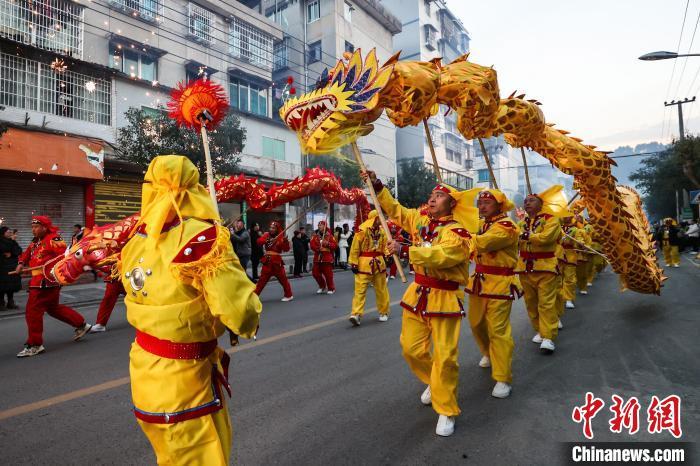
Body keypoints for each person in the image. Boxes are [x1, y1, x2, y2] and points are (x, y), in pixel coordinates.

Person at [118, 155, 261, 465]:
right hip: (186, 384)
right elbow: (239, 311)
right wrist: (248, 317)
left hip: (146, 376)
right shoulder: (202, 237)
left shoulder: (136, 239)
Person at [363, 170, 473, 438]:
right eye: (432, 195)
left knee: (446, 356)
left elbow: (443, 256)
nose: (432, 199)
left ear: (451, 204)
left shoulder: (458, 232)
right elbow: (395, 210)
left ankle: (446, 408)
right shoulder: (419, 220)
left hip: (445, 298)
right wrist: (378, 186)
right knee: (411, 349)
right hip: (418, 293)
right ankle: (433, 383)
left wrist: (406, 250)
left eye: (439, 196)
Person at [465, 188, 521, 399]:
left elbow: (482, 243)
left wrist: (460, 235)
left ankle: (502, 377)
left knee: (498, 330)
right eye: (480, 202)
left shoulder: (507, 227)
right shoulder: (481, 224)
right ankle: (488, 353)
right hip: (479, 282)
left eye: (487, 202)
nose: (482, 206)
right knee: (476, 323)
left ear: (500, 206)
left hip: (499, 283)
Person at [15, 216, 92, 357]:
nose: (33, 230)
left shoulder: (54, 239)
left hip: (45, 281)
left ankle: (35, 344)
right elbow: (26, 254)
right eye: (32, 227)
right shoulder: (36, 241)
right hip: (39, 281)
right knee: (52, 308)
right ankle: (81, 324)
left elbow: (65, 258)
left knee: (32, 312)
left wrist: (50, 266)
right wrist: (21, 263)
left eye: (36, 227)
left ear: (44, 227)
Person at [516, 188, 563, 355]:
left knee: (546, 303)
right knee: (530, 302)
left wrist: (526, 236)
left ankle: (549, 336)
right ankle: (540, 330)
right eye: (526, 201)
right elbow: (515, 239)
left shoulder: (552, 220)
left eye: (531, 200)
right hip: (524, 268)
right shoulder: (522, 223)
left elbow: (546, 238)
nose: (527, 203)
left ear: (541, 204)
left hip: (545, 267)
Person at [348, 211, 390, 325]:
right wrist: (354, 263)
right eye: (378, 218)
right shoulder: (361, 232)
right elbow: (355, 248)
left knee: (382, 290)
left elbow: (386, 246)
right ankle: (356, 314)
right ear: (373, 218)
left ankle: (383, 312)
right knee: (360, 290)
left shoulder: (383, 232)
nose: (380, 220)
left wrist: (388, 255)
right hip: (364, 265)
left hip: (379, 264)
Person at [255, 221, 294, 301]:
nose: (271, 229)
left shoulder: (281, 237)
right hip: (267, 261)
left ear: (277, 229)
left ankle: (289, 295)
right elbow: (258, 241)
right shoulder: (266, 235)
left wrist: (285, 241)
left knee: (283, 279)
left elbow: (286, 249)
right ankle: (255, 295)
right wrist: (267, 240)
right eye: (270, 227)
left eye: (273, 228)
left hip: (276, 262)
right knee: (262, 280)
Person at [558, 214, 582, 310]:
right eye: (564, 215)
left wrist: (581, 243)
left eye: (568, 215)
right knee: (558, 279)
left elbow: (579, 238)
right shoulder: (557, 228)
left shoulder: (575, 230)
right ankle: (559, 298)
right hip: (558, 256)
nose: (565, 217)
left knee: (569, 279)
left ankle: (568, 299)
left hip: (570, 256)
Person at [310, 221, 338, 294]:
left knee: (328, 275)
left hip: (326, 257)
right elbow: (312, 245)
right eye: (318, 225)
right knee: (315, 273)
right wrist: (317, 248)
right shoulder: (315, 236)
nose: (319, 226)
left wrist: (327, 243)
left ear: (325, 226)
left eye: (321, 225)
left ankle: (331, 288)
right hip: (317, 257)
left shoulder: (330, 236)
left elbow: (335, 246)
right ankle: (322, 286)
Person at [0, 226, 22, 311]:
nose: (10, 233)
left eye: (10, 232)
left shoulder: (12, 241)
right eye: (8, 232)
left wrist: (11, 254)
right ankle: (1, 303)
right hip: (2, 267)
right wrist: (6, 253)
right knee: (2, 286)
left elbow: (19, 250)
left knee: (11, 286)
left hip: (12, 266)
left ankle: (10, 302)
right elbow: (4, 249)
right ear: (3, 233)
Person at [574, 215, 593, 294]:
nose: (576, 218)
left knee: (582, 274)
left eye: (578, 218)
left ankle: (583, 287)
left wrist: (586, 246)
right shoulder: (565, 229)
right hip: (569, 256)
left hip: (581, 256)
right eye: (575, 218)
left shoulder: (584, 230)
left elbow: (588, 241)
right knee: (570, 276)